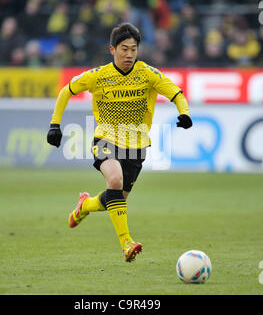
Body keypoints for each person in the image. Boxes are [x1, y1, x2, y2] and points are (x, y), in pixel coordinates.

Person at [46, 23, 192, 262]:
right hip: (106, 138)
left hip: (137, 145)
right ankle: (127, 243)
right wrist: (54, 124)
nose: (129, 54)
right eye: (124, 49)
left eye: (133, 49)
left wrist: (184, 113)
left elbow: (175, 92)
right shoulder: (99, 76)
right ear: (112, 49)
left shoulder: (147, 73)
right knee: (114, 180)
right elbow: (66, 91)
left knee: (115, 198)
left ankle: (84, 205)